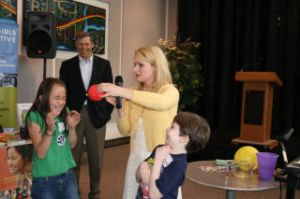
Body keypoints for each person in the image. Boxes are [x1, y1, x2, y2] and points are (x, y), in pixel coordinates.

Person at [98, 46, 179, 199]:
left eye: (140, 65)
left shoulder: (169, 91)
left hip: (160, 158)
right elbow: (125, 130)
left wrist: (122, 92)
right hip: (136, 156)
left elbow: (160, 103)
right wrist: (120, 108)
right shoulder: (132, 94)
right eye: (134, 65)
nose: (135, 69)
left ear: (155, 66)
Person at [59, 32, 113, 199]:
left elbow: (109, 91)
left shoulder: (104, 65)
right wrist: (66, 115)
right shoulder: (67, 65)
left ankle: (95, 193)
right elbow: (63, 92)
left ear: (92, 45)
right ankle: (73, 192)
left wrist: (105, 113)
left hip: (96, 116)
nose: (83, 47)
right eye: (80, 44)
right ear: (76, 45)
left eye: (86, 44)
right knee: (73, 158)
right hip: (74, 115)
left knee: (96, 159)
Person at [25, 78, 81, 199]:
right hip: (45, 182)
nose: (61, 102)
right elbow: (40, 153)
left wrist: (71, 128)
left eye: (64, 98)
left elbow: (72, 144)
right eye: (57, 98)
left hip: (68, 177)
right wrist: (49, 131)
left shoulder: (64, 112)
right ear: (42, 98)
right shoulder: (34, 116)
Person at [136, 112, 211, 199]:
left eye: (172, 127)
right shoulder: (160, 149)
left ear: (183, 139)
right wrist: (143, 166)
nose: (167, 129)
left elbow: (154, 195)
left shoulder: (178, 166)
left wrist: (158, 161)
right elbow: (138, 177)